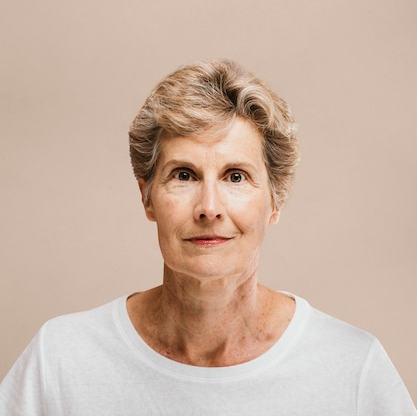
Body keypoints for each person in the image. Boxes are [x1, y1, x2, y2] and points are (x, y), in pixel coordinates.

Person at [1, 59, 415, 415]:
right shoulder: (61, 359)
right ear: (147, 198)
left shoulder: (351, 369)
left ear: (276, 201)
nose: (209, 207)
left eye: (236, 176)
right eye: (184, 175)